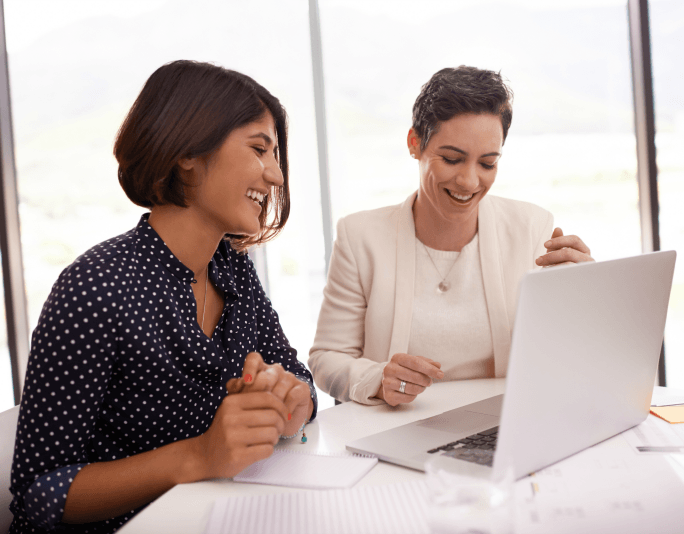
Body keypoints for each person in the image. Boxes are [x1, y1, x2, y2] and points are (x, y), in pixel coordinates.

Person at [9, 60, 317, 534]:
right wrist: (197, 456)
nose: (275, 175)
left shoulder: (232, 268)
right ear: (187, 152)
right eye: (260, 149)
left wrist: (292, 400)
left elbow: (297, 378)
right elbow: (38, 496)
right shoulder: (95, 289)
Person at [308, 66, 593, 407]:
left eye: (487, 163)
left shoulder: (532, 228)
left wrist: (584, 296)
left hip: (500, 425)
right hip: (394, 425)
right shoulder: (360, 237)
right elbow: (328, 356)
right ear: (415, 143)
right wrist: (376, 378)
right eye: (452, 159)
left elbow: (560, 358)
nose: (470, 181)